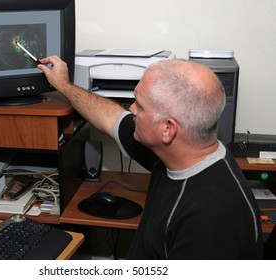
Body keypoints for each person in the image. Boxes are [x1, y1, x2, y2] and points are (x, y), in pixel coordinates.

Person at [38, 57, 263, 259]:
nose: (132, 110)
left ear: (168, 129)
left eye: (140, 106)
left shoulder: (211, 221)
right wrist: (64, 85)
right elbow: (111, 117)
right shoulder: (179, 151)